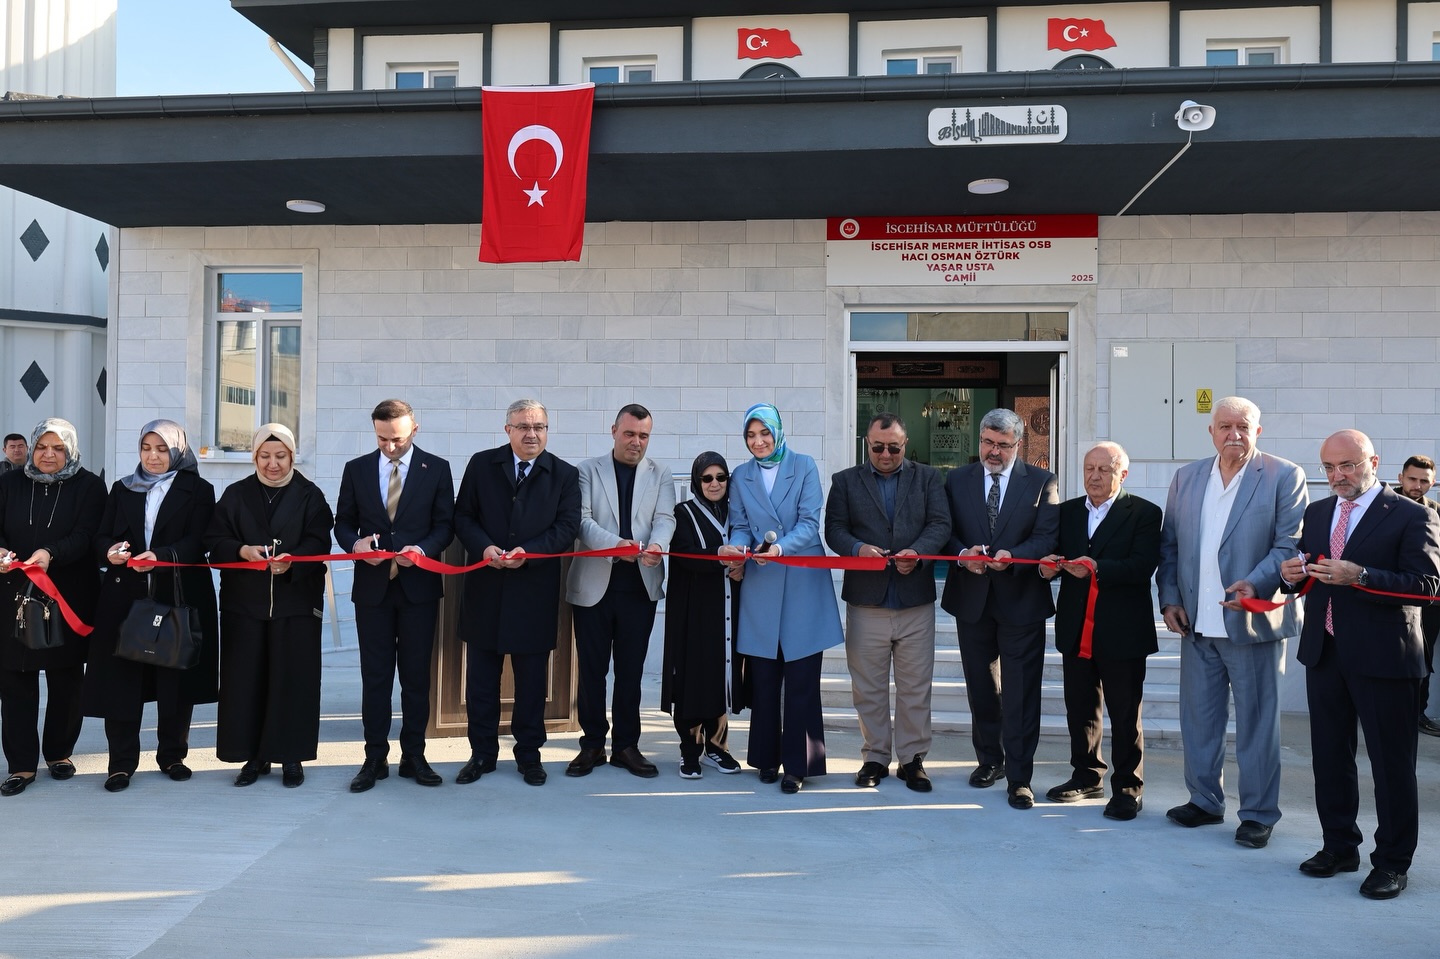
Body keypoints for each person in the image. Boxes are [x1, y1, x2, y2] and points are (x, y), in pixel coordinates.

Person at [1280, 430, 1440, 900]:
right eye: (1329, 467)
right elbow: (1313, 567)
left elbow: (1428, 585)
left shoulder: (1413, 515)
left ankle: (1392, 862)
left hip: (1385, 658)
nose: (1337, 476)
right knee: (1330, 758)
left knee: (1391, 766)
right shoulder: (1318, 511)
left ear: (1373, 460)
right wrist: (1292, 575)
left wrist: (1362, 575)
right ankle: (1339, 847)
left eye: (1347, 465)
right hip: (1325, 652)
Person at [1155, 396, 1306, 849]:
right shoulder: (1187, 477)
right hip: (1196, 621)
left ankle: (1258, 813)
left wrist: (1256, 584)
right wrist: (1170, 599)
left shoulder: (1284, 475)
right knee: (1199, 719)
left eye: (1243, 426)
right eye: (1225, 426)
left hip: (1251, 622)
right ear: (1211, 431)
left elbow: (1289, 545)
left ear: (1258, 430)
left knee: (1258, 724)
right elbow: (1170, 547)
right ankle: (1204, 800)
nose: (1233, 434)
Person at [84, 420, 219, 792]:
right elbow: (102, 536)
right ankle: (120, 763)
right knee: (122, 681)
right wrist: (110, 551)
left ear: (176, 451)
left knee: (175, 678)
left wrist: (159, 555)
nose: (153, 456)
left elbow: (199, 540)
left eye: (161, 449)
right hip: (125, 597)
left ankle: (172, 755)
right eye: (147, 448)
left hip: (177, 594)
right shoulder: (122, 488)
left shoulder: (198, 489)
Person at [453, 399, 580, 787]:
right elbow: (463, 516)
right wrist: (484, 547)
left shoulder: (563, 474)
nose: (531, 434)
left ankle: (529, 756)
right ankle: (482, 755)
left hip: (533, 591)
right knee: (481, 682)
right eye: (523, 426)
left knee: (530, 684)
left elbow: (567, 526)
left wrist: (531, 553)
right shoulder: (481, 464)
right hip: (486, 589)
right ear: (507, 429)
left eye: (539, 427)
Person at [718, 403, 843, 794]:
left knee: (803, 680)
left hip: (803, 582)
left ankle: (799, 765)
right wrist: (736, 548)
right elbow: (739, 524)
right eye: (751, 436)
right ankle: (767, 759)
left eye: (764, 434)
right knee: (765, 679)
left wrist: (781, 548)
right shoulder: (741, 475)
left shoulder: (804, 465)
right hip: (762, 583)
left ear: (778, 432)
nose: (758, 442)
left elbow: (810, 523)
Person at [940, 408, 1059, 810]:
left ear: (1018, 445)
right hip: (971, 599)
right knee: (982, 688)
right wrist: (961, 553)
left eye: (1002, 446)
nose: (993, 452)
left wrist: (1015, 555)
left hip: (1021, 601)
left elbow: (1047, 536)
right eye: (987, 443)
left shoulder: (1042, 482)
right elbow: (944, 530)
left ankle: (1020, 777)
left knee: (1021, 691)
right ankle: (990, 760)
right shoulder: (957, 479)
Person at [824, 412, 950, 792]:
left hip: (915, 602)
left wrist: (920, 551)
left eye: (893, 447)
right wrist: (858, 548)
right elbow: (834, 529)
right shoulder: (845, 481)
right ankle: (875, 757)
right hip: (867, 601)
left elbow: (940, 524)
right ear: (867, 443)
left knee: (915, 687)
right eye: (877, 446)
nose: (885, 454)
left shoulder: (928, 478)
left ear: (905, 444)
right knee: (869, 687)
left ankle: (912, 760)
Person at [334, 399, 455, 792]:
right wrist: (355, 545)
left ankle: (414, 756)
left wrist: (421, 549)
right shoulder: (356, 469)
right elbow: (343, 522)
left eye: (397, 439)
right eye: (382, 438)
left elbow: (445, 527)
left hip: (417, 588)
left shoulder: (436, 469)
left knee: (416, 677)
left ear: (414, 430)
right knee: (376, 678)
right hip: (372, 591)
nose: (389, 446)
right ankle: (374, 758)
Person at [204, 423, 334, 789]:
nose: (272, 464)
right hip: (244, 606)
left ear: (292, 456)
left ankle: (290, 756)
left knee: (293, 681)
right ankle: (252, 756)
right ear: (254, 457)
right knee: (246, 682)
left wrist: (294, 560)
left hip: (295, 604)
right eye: (265, 456)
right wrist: (241, 551)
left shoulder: (310, 495)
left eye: (280, 456)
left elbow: (319, 539)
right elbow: (214, 539)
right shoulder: (235, 494)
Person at [1039, 442, 1161, 820]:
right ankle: (1086, 774)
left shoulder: (1144, 512)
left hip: (1121, 629)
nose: (1094, 476)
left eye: (1104, 470)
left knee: (1125, 713)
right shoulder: (1067, 512)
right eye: (1089, 468)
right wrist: (1047, 567)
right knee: (1081, 707)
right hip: (1076, 626)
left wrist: (1097, 567)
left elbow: (1142, 566)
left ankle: (1128, 787)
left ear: (1122, 474)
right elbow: (1053, 554)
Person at [566, 404, 675, 779]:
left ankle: (627, 746)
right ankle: (592, 744)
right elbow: (581, 521)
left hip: (640, 586)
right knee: (592, 670)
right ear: (614, 430)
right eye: (629, 434)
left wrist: (658, 545)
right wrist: (620, 546)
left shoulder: (661, 474)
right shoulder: (587, 470)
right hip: (595, 584)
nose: (636, 442)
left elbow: (665, 519)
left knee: (631, 671)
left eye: (643, 436)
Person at [0, 418, 105, 796]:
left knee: (66, 679)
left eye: (57, 448)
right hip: (13, 594)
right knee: (15, 680)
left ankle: (59, 753)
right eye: (42, 447)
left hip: (68, 594)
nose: (48, 455)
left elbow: (87, 535)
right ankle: (21, 765)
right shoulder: (9, 482)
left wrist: (51, 553)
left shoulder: (90, 486)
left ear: (70, 450)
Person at [661, 452, 747, 779]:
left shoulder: (736, 513)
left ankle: (717, 747)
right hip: (695, 611)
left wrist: (742, 564)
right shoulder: (682, 513)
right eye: (707, 478)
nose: (715, 484)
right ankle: (689, 751)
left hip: (728, 609)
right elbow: (686, 555)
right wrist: (720, 556)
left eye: (721, 477)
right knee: (692, 679)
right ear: (697, 481)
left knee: (722, 678)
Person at [1396, 454, 1440, 737]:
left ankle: (1417, 713)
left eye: (1424, 481)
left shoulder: (1435, 511)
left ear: (1432, 483)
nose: (1417, 485)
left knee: (1423, 656)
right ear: (1401, 478)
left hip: (1429, 601)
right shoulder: (1382, 506)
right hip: (1390, 596)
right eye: (1412, 479)